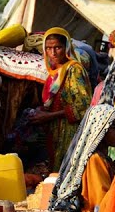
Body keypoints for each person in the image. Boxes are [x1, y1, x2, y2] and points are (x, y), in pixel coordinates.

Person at [27, 28, 92, 171]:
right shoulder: (53, 72)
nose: (53, 53)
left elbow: (83, 106)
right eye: (48, 48)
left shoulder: (73, 70)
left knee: (66, 169)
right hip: (54, 131)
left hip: (69, 132)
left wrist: (49, 116)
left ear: (66, 47)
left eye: (58, 47)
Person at [48, 104, 115, 212]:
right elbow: (102, 204)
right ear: (99, 129)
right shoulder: (95, 160)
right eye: (113, 127)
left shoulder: (104, 159)